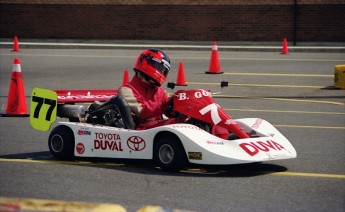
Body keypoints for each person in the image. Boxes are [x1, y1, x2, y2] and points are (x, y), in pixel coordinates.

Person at [118, 48, 230, 139]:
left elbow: (169, 112)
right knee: (183, 126)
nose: (161, 72)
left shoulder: (159, 92)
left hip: (161, 126)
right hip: (144, 132)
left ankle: (227, 138)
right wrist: (167, 104)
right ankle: (213, 142)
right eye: (159, 68)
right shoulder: (127, 90)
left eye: (163, 70)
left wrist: (183, 106)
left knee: (203, 119)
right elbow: (142, 113)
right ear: (147, 65)